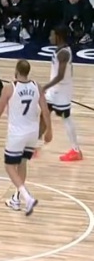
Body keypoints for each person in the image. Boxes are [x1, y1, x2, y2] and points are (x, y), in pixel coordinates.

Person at [0, 59, 52, 215]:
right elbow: (46, 111)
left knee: (9, 166)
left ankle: (27, 197)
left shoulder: (9, 88)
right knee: (22, 163)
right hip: (32, 133)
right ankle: (16, 199)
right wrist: (49, 130)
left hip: (17, 134)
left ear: (16, 71)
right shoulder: (37, 86)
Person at [42, 26, 82, 161]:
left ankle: (76, 150)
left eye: (52, 35)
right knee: (44, 113)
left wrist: (45, 87)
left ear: (58, 36)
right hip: (54, 91)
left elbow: (60, 76)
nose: (50, 37)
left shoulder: (63, 53)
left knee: (66, 119)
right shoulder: (60, 50)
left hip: (62, 92)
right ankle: (34, 146)